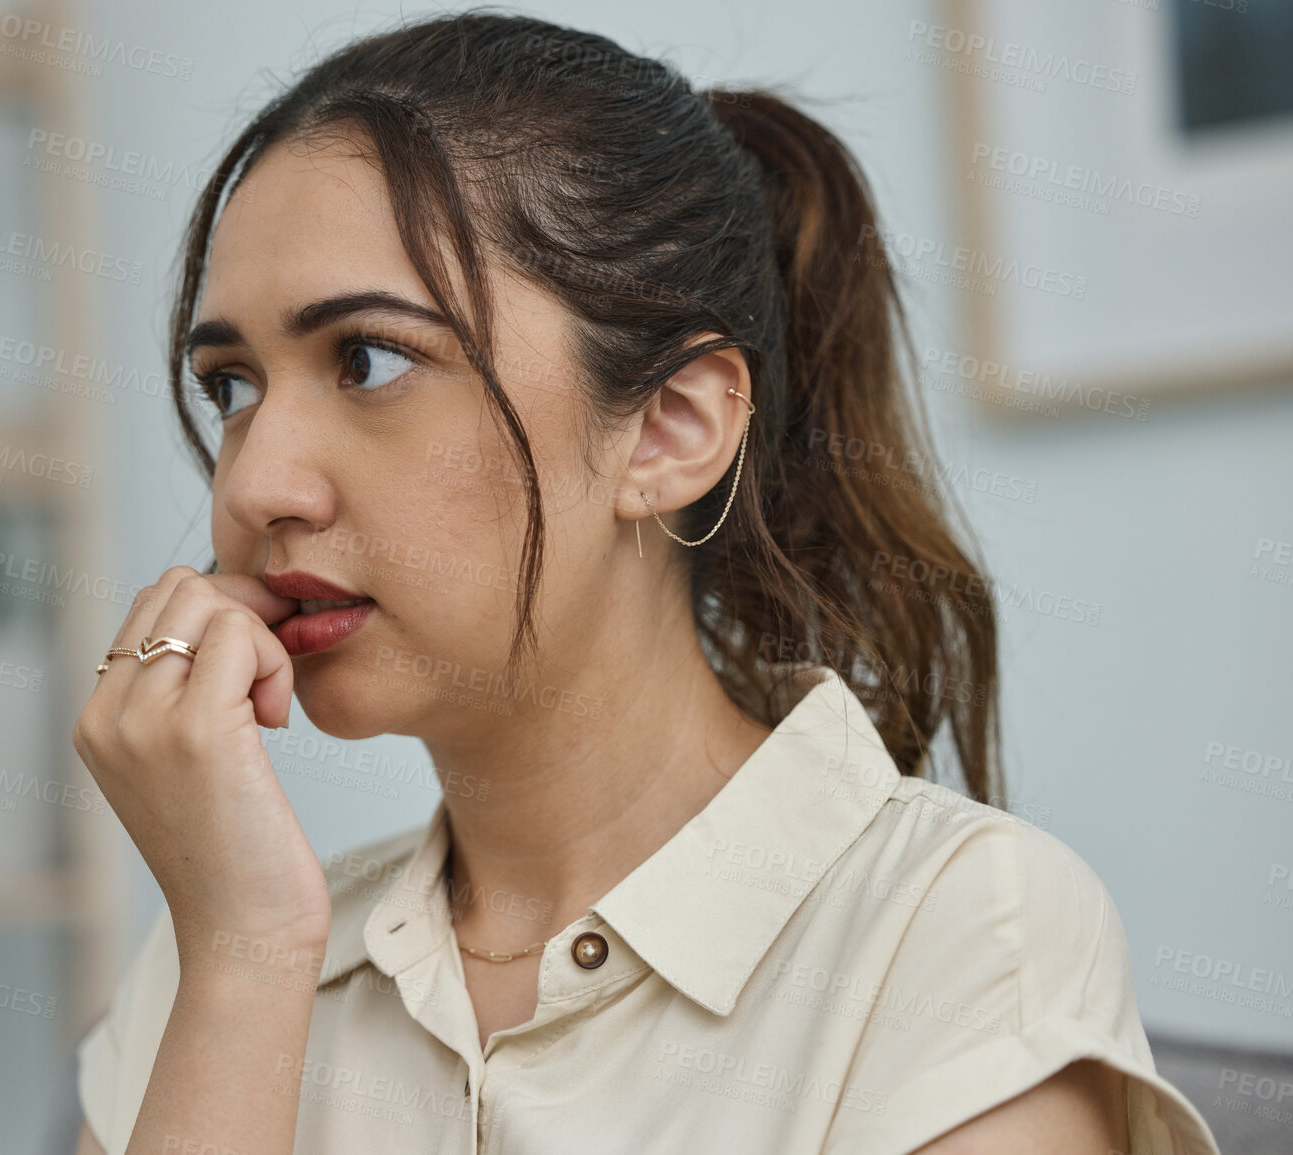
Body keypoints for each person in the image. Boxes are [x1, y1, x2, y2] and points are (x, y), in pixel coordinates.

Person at [68, 12, 1221, 1154]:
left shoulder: (959, 937)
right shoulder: (223, 942)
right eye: (231, 386)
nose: (256, 482)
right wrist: (248, 955)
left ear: (670, 428)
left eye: (368, 360)